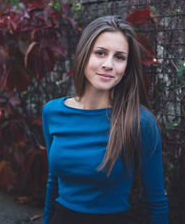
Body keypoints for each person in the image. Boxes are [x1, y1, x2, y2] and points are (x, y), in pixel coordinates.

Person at [42, 15, 169, 224]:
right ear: (84, 55)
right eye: (100, 53)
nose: (108, 64)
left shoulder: (139, 121)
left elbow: (156, 200)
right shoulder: (52, 112)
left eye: (119, 57)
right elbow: (53, 181)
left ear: (127, 66)